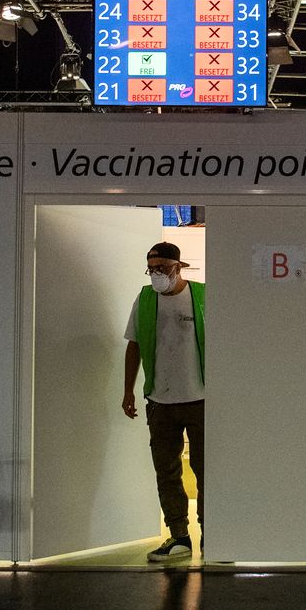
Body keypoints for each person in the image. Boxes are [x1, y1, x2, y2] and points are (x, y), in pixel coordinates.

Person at [122, 241, 205, 562]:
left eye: (162, 269)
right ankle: (180, 536)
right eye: (151, 269)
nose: (157, 275)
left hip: (202, 398)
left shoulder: (203, 296)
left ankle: (212, 534)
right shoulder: (144, 299)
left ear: (178, 267)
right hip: (160, 401)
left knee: (205, 469)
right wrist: (128, 390)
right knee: (166, 470)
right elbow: (134, 345)